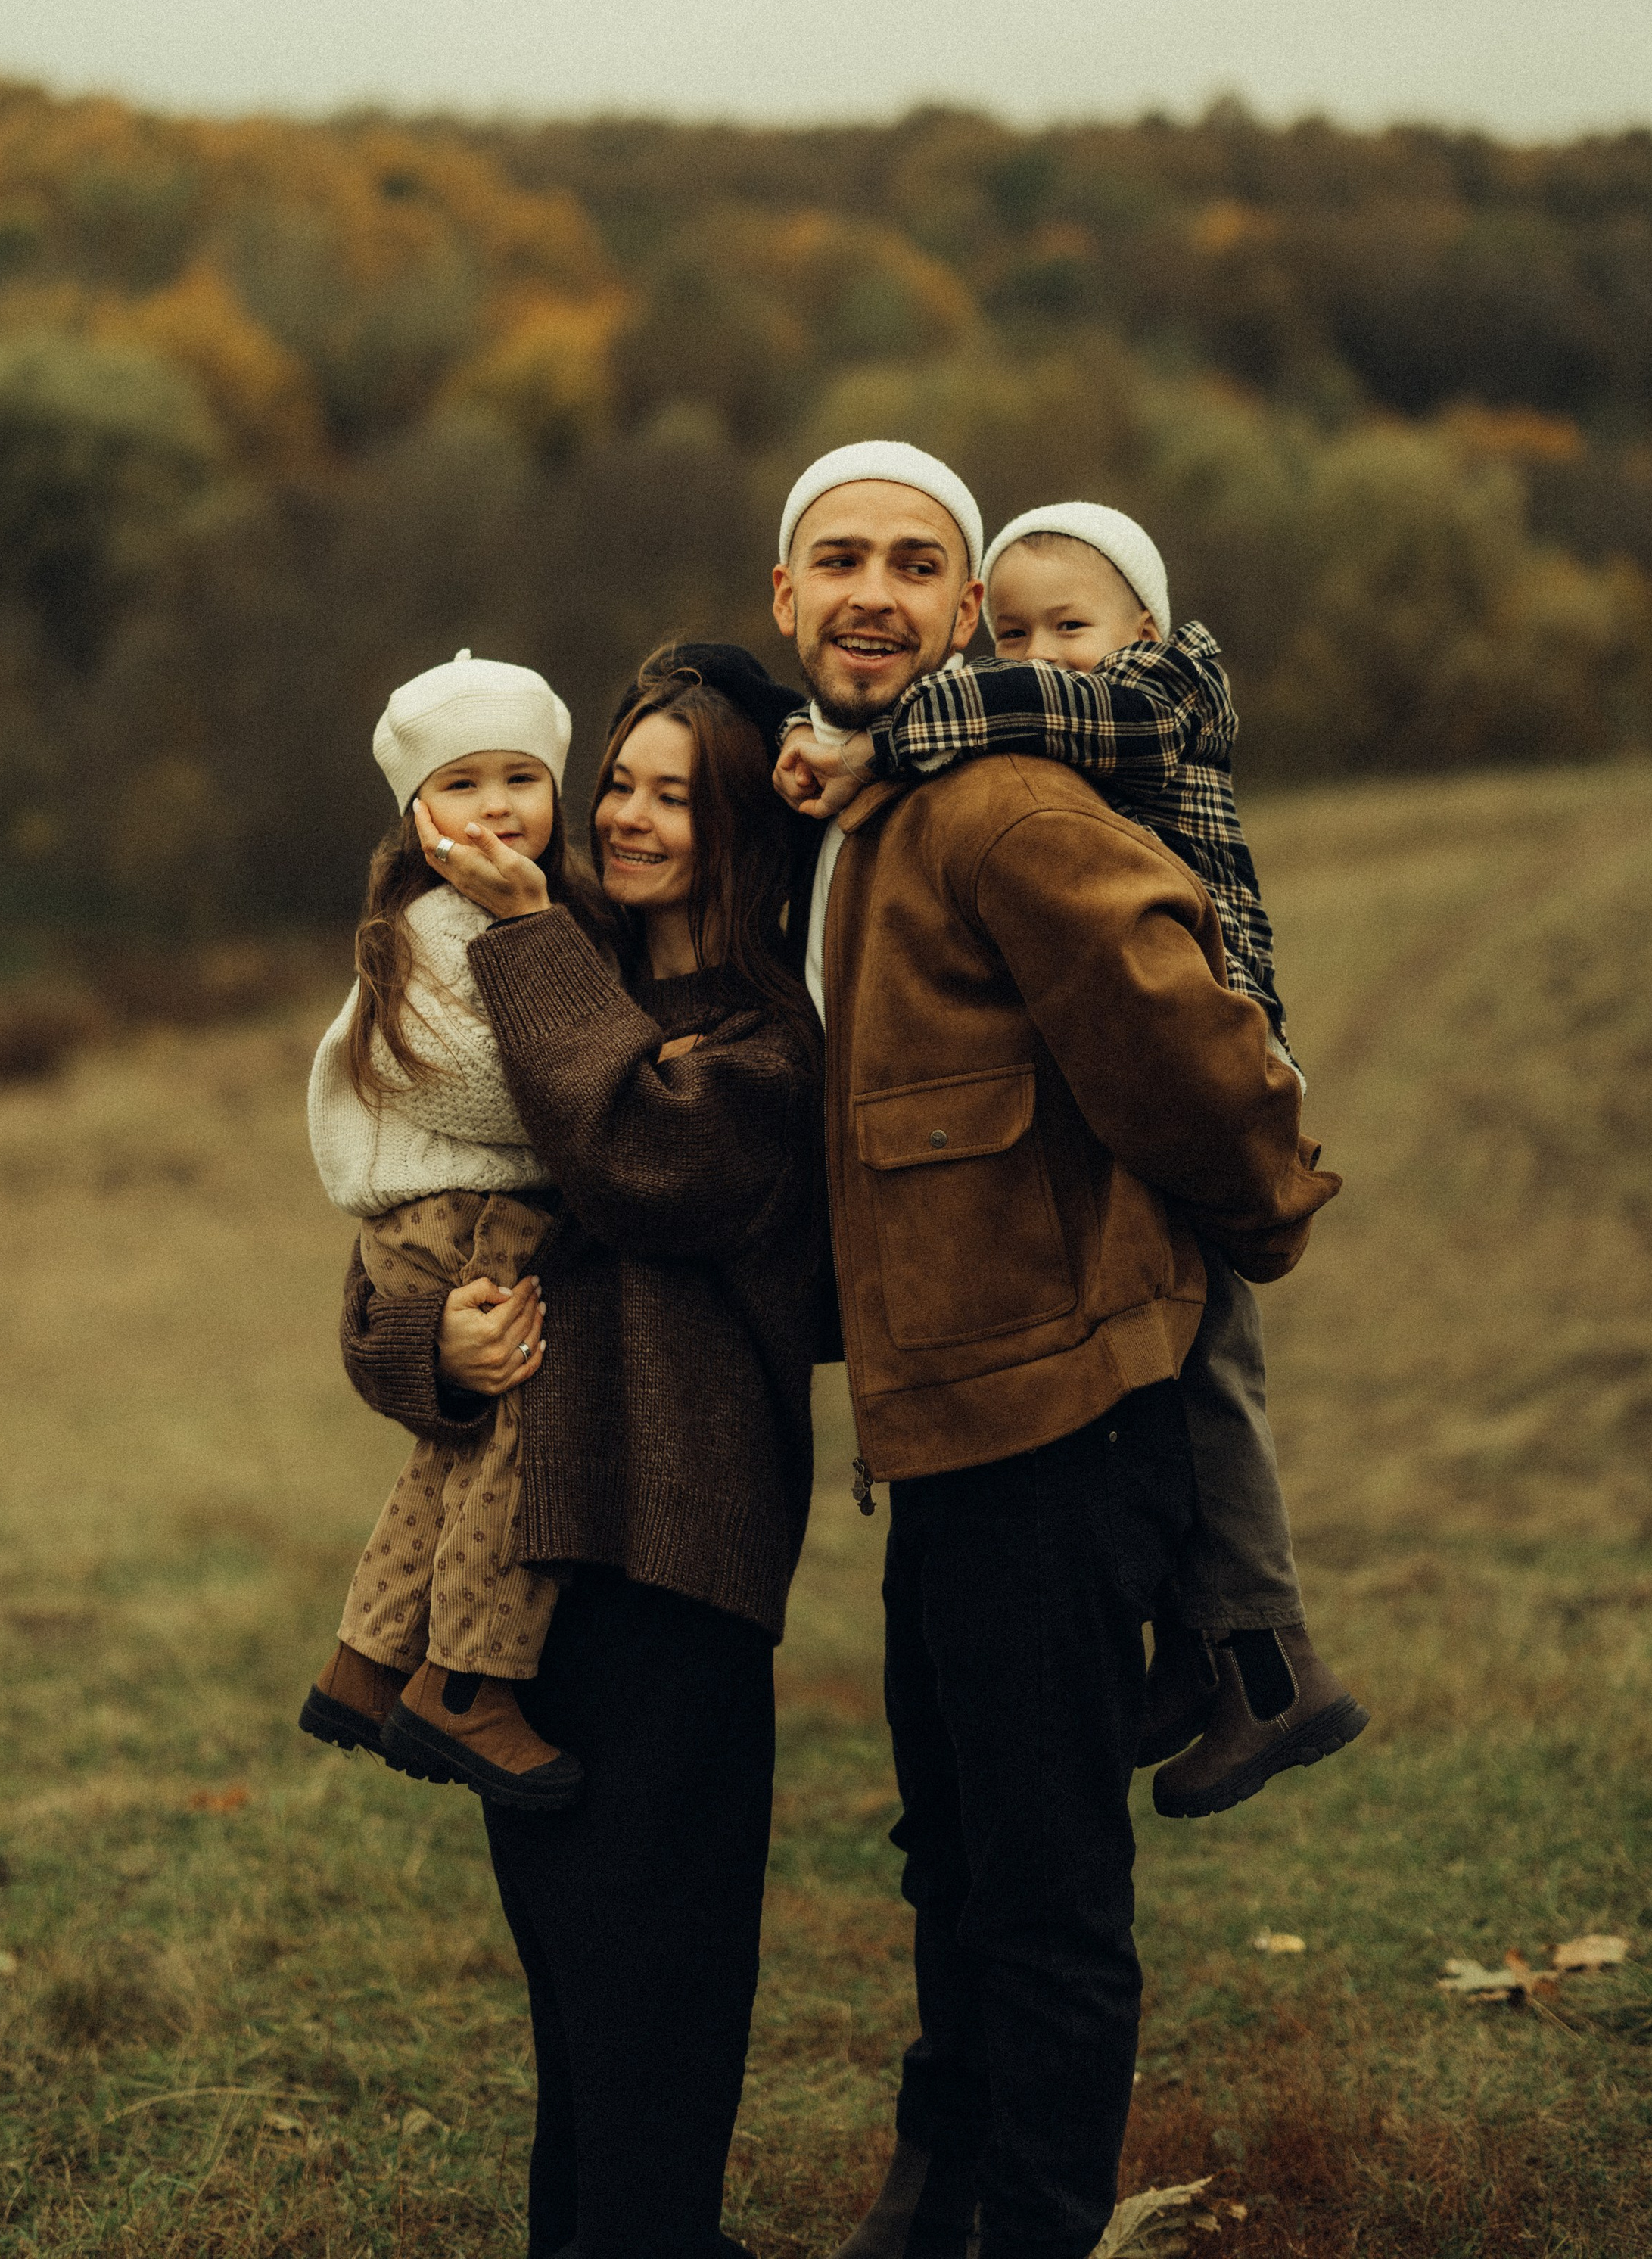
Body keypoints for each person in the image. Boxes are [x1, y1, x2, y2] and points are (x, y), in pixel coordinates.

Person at [768, 442, 1342, 2259]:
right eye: (837, 558)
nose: (871, 591)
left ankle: (1025, 2226)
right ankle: (932, 2188)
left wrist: (1253, 1221)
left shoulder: (1003, 807)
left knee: (1043, 1888)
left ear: (961, 614)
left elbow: (1194, 1050)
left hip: (1059, 1431)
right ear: (785, 597)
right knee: (952, 1851)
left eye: (910, 563)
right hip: (942, 1430)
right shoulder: (854, 814)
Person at [332, 642, 824, 2259]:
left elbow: (634, 1158)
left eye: (677, 796)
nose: (626, 816)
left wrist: (530, 936)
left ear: (742, 829)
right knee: (571, 1966)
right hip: (526, 1564)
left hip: (677, 1553)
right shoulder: (520, 979)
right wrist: (430, 1352)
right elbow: (393, 1254)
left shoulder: (764, 1042)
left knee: (663, 1971)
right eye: (616, 780)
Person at [775, 499, 1365, 1822]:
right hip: (1160, 1083)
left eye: (1070, 630)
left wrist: (882, 740)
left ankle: (1269, 1661)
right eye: (1019, 633)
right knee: (1189, 1368)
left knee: (1210, 1371)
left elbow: (1045, 718)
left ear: (1144, 629)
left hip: (1232, 1033)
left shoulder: (1160, 696)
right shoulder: (1018, 747)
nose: (1042, 659)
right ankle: (1206, 1650)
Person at [299, 649, 585, 1808]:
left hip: (456, 1213)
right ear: (419, 816)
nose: (496, 806)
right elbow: (495, 1084)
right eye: (462, 785)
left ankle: (368, 1660)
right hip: (458, 1218)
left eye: (521, 778)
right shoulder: (439, 925)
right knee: (525, 1435)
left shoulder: (511, 908)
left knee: (457, 1450)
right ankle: (468, 1680)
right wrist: (621, 1052)